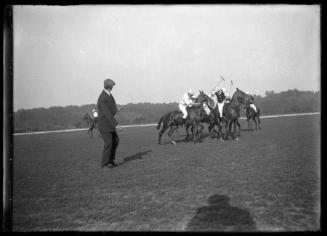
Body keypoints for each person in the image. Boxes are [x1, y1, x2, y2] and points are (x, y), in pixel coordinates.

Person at [97, 78, 120, 168]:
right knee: (109, 143)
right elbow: (107, 114)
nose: (113, 86)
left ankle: (111, 160)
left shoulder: (109, 95)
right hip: (104, 125)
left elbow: (112, 110)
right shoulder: (102, 97)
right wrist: (117, 125)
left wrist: (117, 108)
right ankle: (104, 164)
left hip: (109, 124)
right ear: (109, 86)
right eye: (112, 85)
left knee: (116, 141)